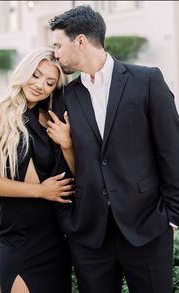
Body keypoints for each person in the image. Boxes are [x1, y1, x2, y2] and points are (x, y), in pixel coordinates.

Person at [47, 5, 179, 293]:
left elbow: (172, 152)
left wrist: (171, 217)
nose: (55, 53)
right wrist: (69, 221)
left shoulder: (147, 81)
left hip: (147, 229)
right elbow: (62, 162)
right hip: (89, 236)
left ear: (80, 40)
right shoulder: (67, 96)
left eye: (58, 44)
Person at [0, 47, 74, 293]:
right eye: (36, 75)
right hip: (17, 238)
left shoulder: (51, 121)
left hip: (55, 238)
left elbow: (76, 176)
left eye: (50, 82)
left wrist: (68, 145)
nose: (40, 85)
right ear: (24, 71)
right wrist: (40, 191)